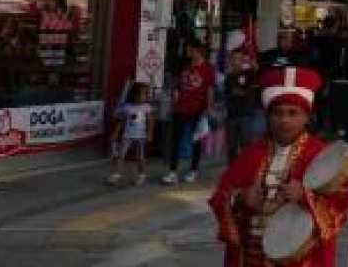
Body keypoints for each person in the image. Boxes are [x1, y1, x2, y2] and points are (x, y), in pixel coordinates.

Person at [210, 66, 348, 267]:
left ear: (307, 116)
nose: (285, 120)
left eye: (293, 113)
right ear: (268, 115)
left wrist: (307, 197)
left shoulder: (319, 155)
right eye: (278, 113)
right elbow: (220, 195)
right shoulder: (251, 154)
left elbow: (340, 208)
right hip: (248, 264)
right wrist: (240, 198)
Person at [165, 39, 218, 185]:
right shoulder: (185, 65)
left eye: (190, 50)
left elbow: (210, 90)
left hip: (198, 109)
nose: (188, 52)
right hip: (180, 107)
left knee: (196, 140)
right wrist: (174, 98)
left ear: (198, 50)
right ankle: (172, 172)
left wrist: (208, 108)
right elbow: (178, 84)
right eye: (187, 50)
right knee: (175, 139)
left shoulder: (208, 69)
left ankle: (193, 170)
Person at [223, 37, 262, 162]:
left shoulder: (249, 74)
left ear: (243, 60)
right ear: (230, 60)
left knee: (246, 144)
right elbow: (230, 93)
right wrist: (242, 92)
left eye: (239, 58)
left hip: (246, 114)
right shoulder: (229, 77)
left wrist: (253, 65)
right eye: (233, 58)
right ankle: (232, 171)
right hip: (231, 115)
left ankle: (245, 169)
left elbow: (256, 78)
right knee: (231, 147)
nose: (236, 61)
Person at [108, 81, 153, 186]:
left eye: (146, 94)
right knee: (121, 155)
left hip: (141, 136)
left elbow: (150, 121)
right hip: (127, 135)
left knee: (140, 156)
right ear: (135, 94)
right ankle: (116, 174)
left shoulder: (146, 107)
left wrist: (150, 133)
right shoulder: (127, 107)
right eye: (143, 94)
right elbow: (121, 121)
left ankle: (141, 175)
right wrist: (115, 133)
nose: (144, 96)